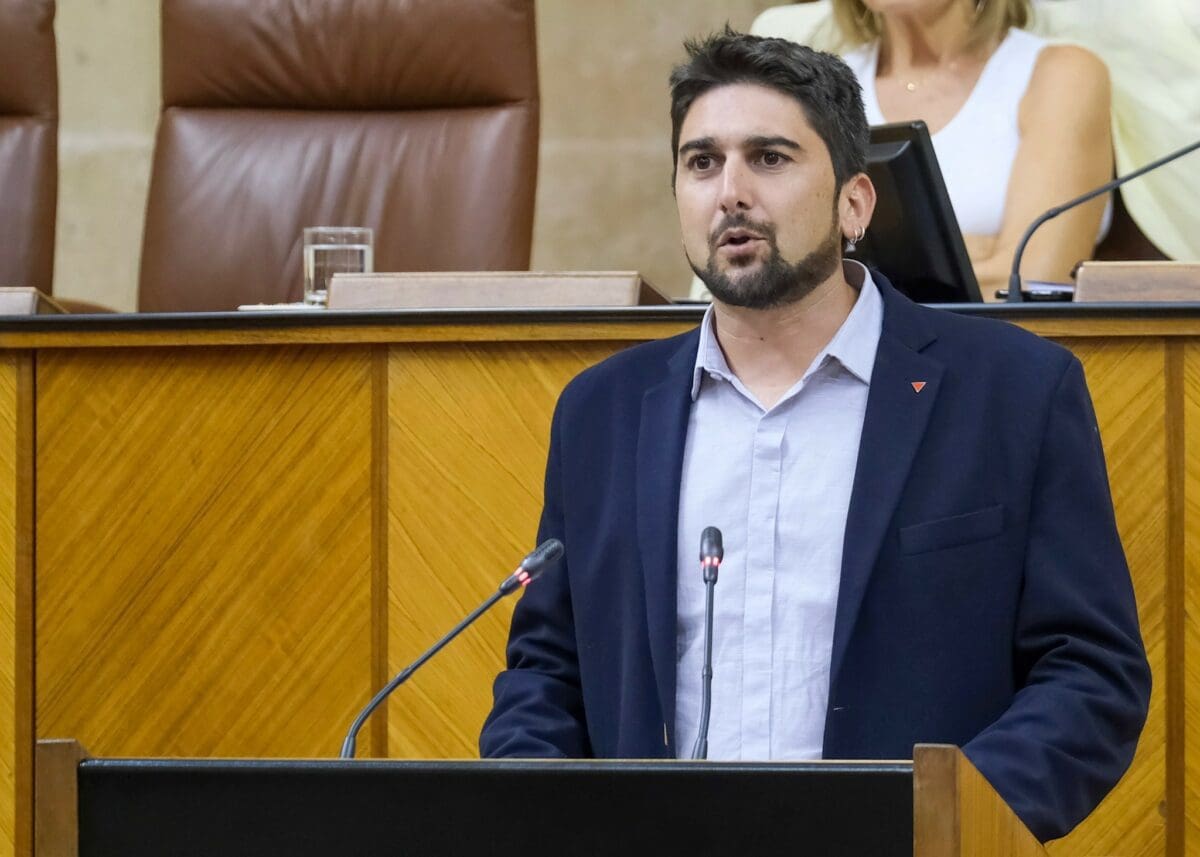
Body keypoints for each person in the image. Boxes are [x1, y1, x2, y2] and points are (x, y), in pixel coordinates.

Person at [480, 29, 1150, 843]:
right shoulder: (603, 412)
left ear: (855, 204)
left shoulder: (1014, 393)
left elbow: (1089, 673)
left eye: (769, 158)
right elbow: (547, 674)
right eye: (702, 163)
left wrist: (943, 824)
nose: (730, 191)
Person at [687, 0, 1113, 300]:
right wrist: (971, 252)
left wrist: (841, 266)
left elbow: (1031, 280)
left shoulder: (1061, 73)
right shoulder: (816, 88)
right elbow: (768, 266)